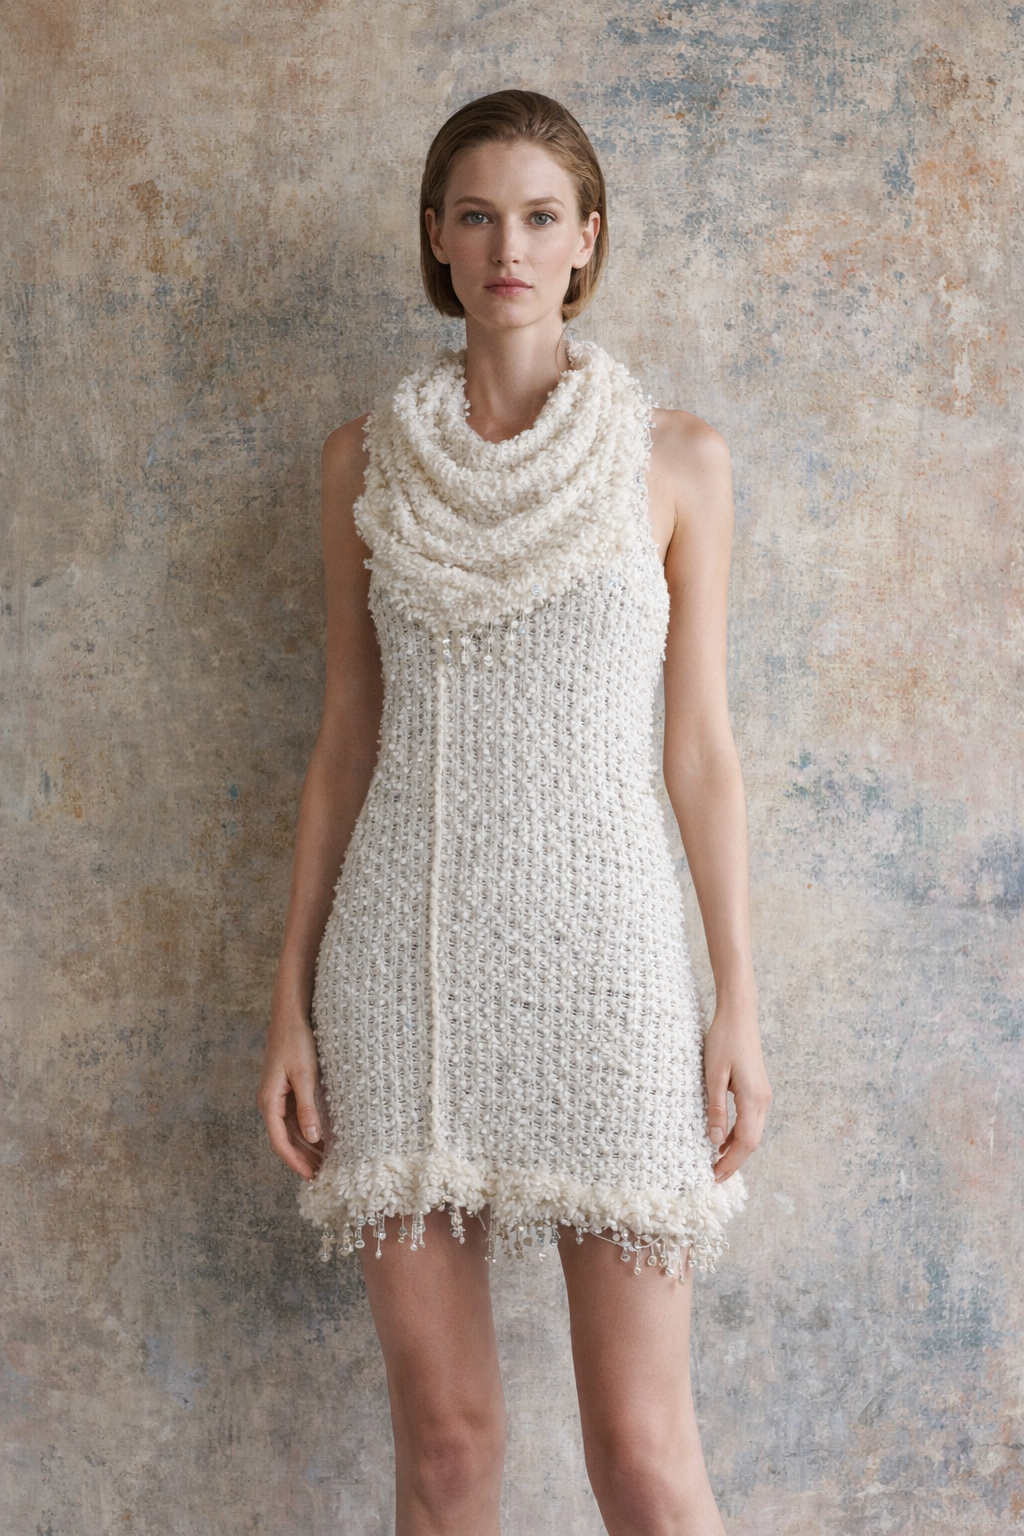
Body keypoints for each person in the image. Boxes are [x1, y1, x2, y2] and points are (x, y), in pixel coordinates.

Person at [258, 87, 771, 1536]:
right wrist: (289, 997)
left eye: (542, 217)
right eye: (478, 215)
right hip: (403, 972)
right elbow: (345, 742)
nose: (509, 247)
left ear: (587, 238)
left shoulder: (678, 461)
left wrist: (738, 999)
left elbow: (702, 752)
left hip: (611, 972)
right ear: (435, 235)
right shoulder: (363, 464)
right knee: (448, 1447)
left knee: (642, 1451)